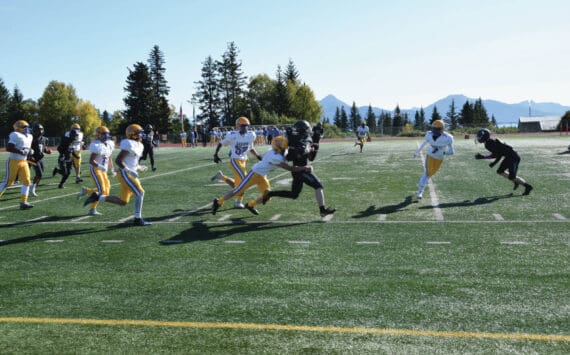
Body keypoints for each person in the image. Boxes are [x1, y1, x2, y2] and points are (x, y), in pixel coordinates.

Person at [212, 136, 312, 216]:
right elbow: (291, 168)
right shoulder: (276, 156)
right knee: (238, 190)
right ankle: (218, 202)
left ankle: (250, 205)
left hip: (262, 175)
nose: (285, 149)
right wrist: (304, 168)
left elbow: (287, 153)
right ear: (278, 148)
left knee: (267, 196)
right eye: (283, 148)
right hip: (255, 174)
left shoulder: (274, 151)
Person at [262, 120, 336, 217]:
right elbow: (289, 157)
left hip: (299, 170)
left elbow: (311, 157)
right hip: (300, 170)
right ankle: (322, 210)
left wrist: (313, 146)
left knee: (294, 194)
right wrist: (299, 151)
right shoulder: (295, 141)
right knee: (318, 186)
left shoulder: (303, 139)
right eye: (306, 129)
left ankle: (270, 193)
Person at [83, 124, 151, 226]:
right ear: (133, 134)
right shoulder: (129, 144)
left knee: (123, 202)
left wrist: (139, 167)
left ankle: (98, 197)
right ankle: (138, 219)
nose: (141, 135)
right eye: (139, 133)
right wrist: (129, 170)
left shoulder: (138, 144)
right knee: (140, 193)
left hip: (128, 173)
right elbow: (118, 160)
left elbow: (132, 162)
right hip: (125, 174)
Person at [211, 117, 262, 209]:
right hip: (235, 160)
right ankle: (238, 202)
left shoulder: (251, 135)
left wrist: (258, 156)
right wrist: (215, 154)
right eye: (243, 126)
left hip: (243, 161)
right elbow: (221, 143)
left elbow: (251, 148)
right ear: (238, 126)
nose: (245, 128)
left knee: (239, 184)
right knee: (245, 180)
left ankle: (222, 177)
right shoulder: (232, 135)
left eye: (246, 126)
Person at [475, 128, 533, 195]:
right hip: (509, 157)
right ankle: (516, 181)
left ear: (484, 136)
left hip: (513, 158)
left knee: (512, 177)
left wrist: (483, 157)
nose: (478, 138)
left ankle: (528, 187)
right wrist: (494, 163)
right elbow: (499, 154)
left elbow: (496, 155)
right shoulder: (490, 142)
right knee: (500, 171)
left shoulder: (489, 143)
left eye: (479, 136)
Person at [77, 126, 115, 215]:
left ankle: (86, 191)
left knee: (106, 191)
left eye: (107, 134)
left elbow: (109, 158)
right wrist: (100, 166)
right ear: (99, 135)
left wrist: (112, 169)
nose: (106, 136)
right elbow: (91, 160)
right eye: (104, 134)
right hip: (96, 170)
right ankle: (92, 209)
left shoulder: (109, 144)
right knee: (101, 190)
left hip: (103, 171)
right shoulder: (97, 145)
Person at [413, 120, 454, 199]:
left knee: (430, 174)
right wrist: (417, 152)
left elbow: (452, 152)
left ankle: (420, 186)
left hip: (439, 158)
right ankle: (420, 191)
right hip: (430, 155)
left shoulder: (448, 137)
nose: (434, 130)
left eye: (437, 129)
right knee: (427, 174)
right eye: (434, 128)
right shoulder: (429, 134)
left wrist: (443, 152)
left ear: (442, 129)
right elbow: (424, 144)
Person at [0, 120, 34, 209]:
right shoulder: (15, 135)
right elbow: (9, 148)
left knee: (27, 181)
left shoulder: (30, 136)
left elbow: (26, 148)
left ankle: (24, 202)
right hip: (13, 161)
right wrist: (21, 151)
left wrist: (29, 152)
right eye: (24, 127)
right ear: (18, 128)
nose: (26, 129)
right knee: (8, 182)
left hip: (24, 162)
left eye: (27, 127)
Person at [29, 123, 52, 196]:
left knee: (40, 174)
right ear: (34, 130)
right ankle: (32, 188)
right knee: (39, 174)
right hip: (32, 159)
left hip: (40, 158)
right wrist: (30, 156)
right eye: (39, 130)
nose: (40, 131)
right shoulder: (30, 138)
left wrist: (47, 151)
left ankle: (33, 187)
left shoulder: (44, 139)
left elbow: (43, 148)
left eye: (41, 129)